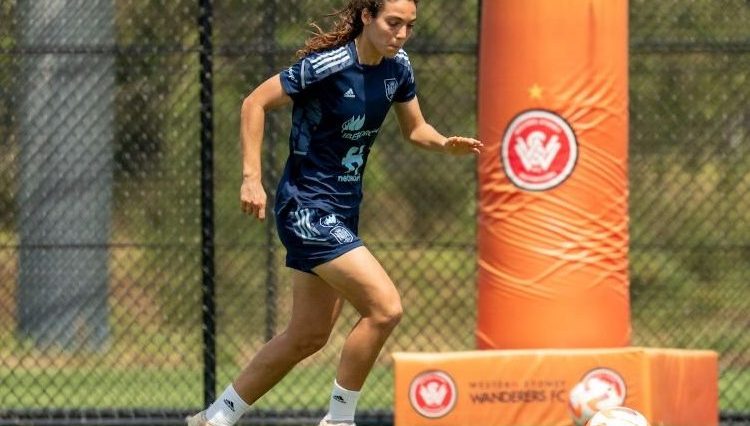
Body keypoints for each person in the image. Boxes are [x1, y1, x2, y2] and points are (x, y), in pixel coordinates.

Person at [187, 0, 482, 425]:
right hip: (306, 208)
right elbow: (254, 102)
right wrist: (251, 177)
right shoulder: (326, 67)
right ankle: (338, 420)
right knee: (385, 308)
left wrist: (442, 143)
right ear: (367, 17)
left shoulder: (398, 68)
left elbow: (415, 128)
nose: (400, 35)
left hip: (342, 211)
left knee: (306, 336)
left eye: (409, 27)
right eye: (392, 23)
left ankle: (216, 417)